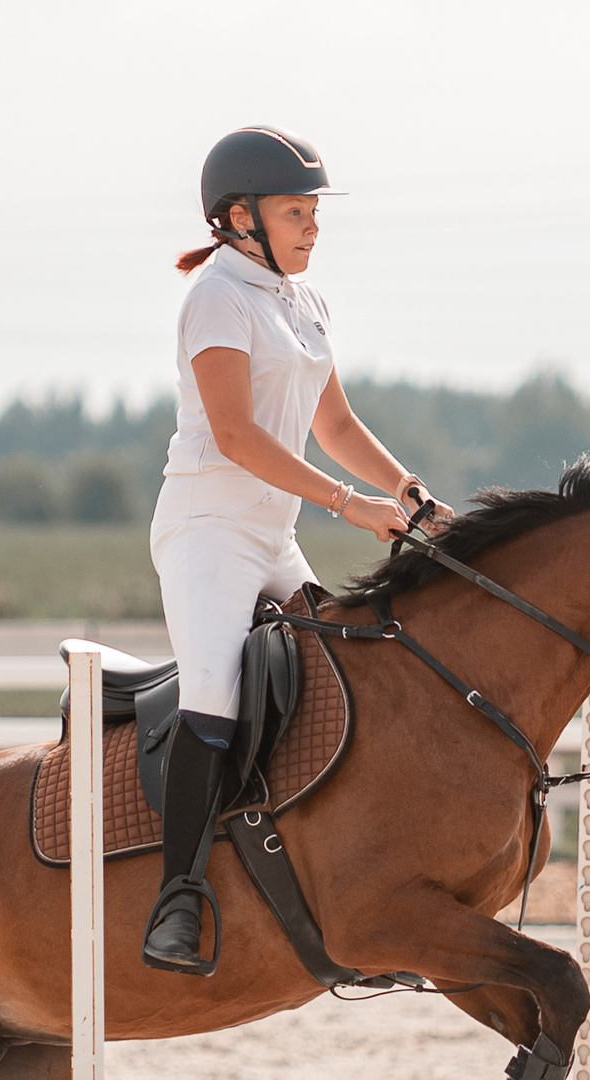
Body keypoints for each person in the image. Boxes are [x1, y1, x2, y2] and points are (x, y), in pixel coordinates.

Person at [141, 125, 451, 974]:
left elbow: (336, 424)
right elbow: (237, 436)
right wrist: (350, 505)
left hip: (274, 538)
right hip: (208, 532)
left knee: (343, 682)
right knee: (214, 693)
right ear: (242, 217)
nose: (314, 227)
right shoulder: (217, 297)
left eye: (315, 212)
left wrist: (410, 493)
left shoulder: (303, 302)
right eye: (296, 212)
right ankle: (177, 900)